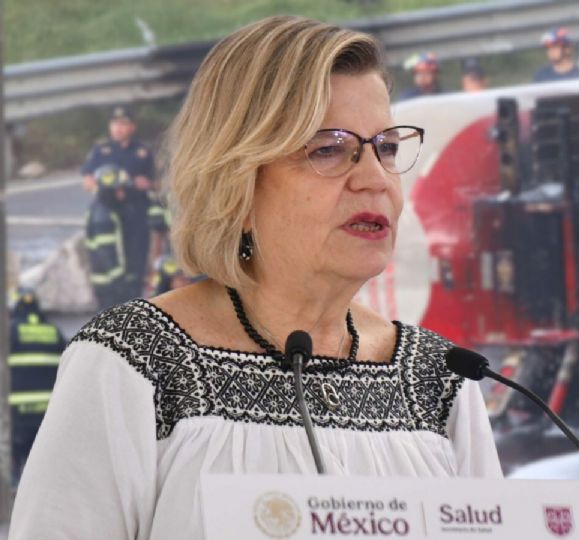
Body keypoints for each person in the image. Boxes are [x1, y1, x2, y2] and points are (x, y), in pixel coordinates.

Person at [11, 16, 501, 539]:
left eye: (386, 147)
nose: (376, 178)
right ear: (236, 183)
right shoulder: (134, 363)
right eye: (329, 148)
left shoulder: (442, 380)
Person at [80, 105, 157, 299]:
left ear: (132, 127)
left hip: (136, 214)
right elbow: (87, 181)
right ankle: (114, 302)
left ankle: (135, 301)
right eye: (114, 123)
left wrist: (146, 184)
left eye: (123, 124)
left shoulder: (143, 152)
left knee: (136, 261)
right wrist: (103, 185)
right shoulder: (101, 150)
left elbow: (158, 182)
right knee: (110, 263)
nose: (118, 128)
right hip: (109, 215)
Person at [7, 287, 66, 481]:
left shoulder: (9, 332)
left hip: (17, 412)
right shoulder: (54, 332)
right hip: (47, 413)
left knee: (14, 467)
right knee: (41, 470)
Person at [85, 165, 136, 310]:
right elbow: (106, 254)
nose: (122, 194)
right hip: (109, 284)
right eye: (119, 189)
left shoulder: (103, 209)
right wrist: (120, 282)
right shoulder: (103, 216)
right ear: (109, 190)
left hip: (107, 282)